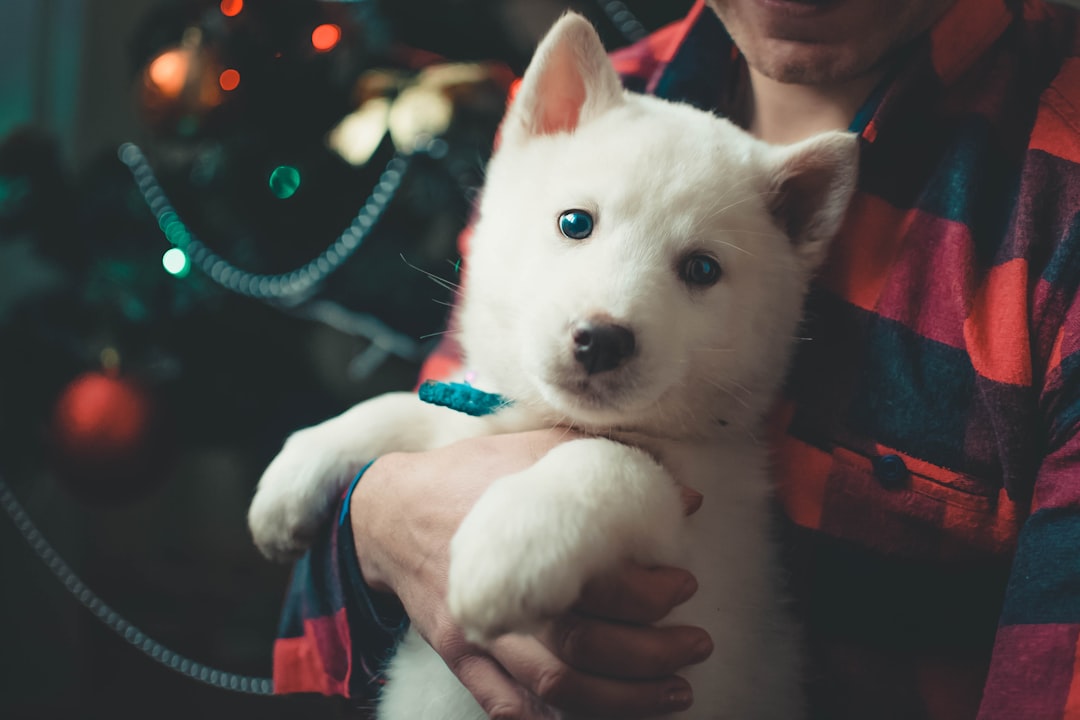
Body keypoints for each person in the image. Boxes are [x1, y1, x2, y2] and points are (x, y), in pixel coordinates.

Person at [271, 0, 1080, 718]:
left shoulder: (1053, 185)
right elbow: (462, 415)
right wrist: (372, 519)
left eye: (698, 270)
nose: (607, 313)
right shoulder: (606, 96)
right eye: (578, 226)